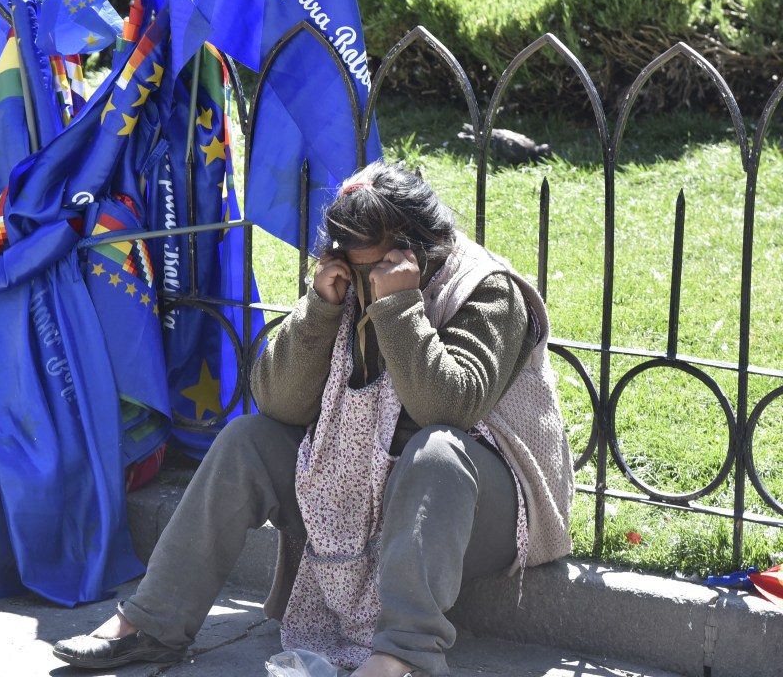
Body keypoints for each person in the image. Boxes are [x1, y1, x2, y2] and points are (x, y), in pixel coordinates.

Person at [52, 160, 575, 676]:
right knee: (247, 439)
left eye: (374, 267)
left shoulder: (488, 290)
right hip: (360, 487)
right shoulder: (345, 277)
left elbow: (449, 409)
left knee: (435, 451)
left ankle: (403, 656)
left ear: (419, 247)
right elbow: (277, 403)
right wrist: (319, 312)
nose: (364, 280)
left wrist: (400, 308)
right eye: (353, 262)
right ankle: (153, 623)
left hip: (477, 507)